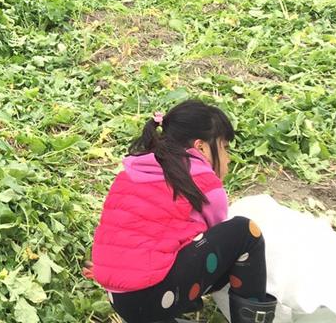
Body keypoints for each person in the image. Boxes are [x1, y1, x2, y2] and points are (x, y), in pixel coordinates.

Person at [85, 100, 277, 323]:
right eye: (225, 147)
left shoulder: (130, 172)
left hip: (119, 299)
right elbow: (216, 245)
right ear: (202, 147)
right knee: (245, 233)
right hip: (153, 294)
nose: (228, 158)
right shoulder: (204, 183)